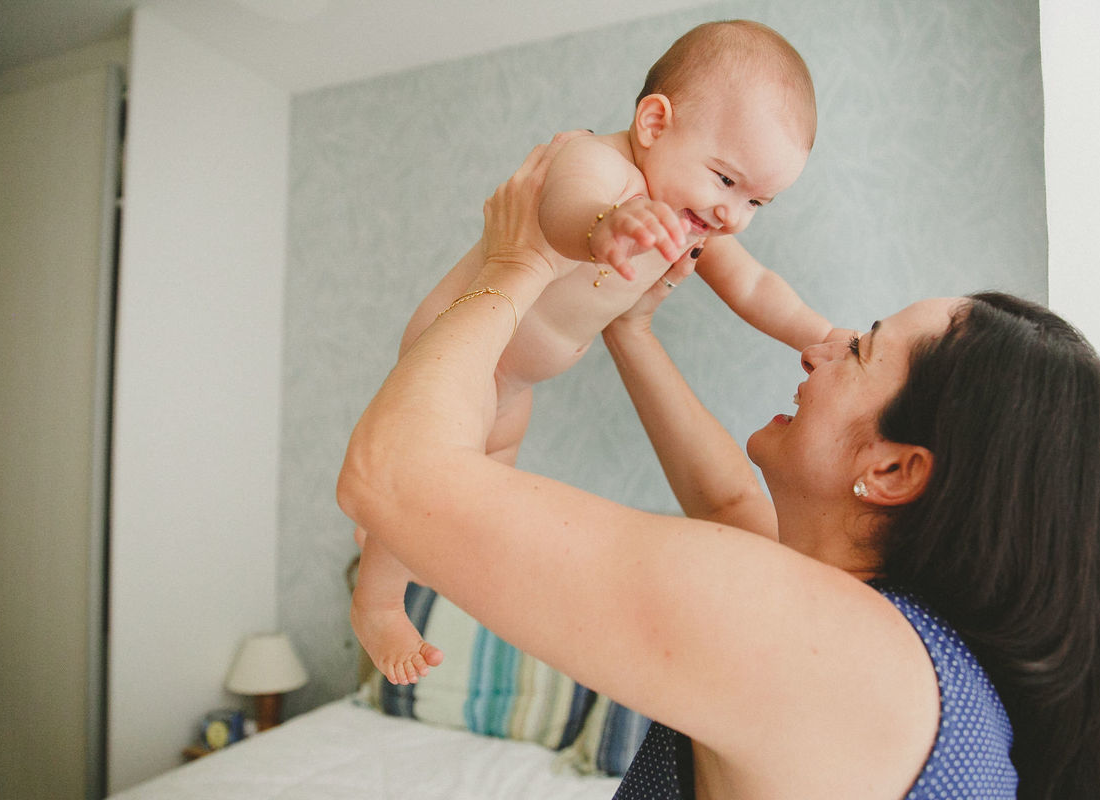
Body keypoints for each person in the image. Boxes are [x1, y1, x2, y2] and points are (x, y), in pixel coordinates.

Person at [338, 133, 1100, 798]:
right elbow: (724, 504)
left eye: (857, 349)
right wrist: (631, 329)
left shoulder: (832, 650)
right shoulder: (883, 642)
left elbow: (390, 474)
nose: (818, 347)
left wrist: (514, 265)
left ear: (894, 473)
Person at [352, 19, 852, 686]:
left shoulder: (694, 219)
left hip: (515, 383)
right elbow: (561, 210)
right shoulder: (601, 166)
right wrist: (606, 225)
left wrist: (822, 336)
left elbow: (757, 287)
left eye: (757, 200)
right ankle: (377, 600)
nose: (734, 213)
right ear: (652, 122)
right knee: (430, 482)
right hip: (461, 347)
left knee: (467, 492)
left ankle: (392, 551)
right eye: (727, 179)